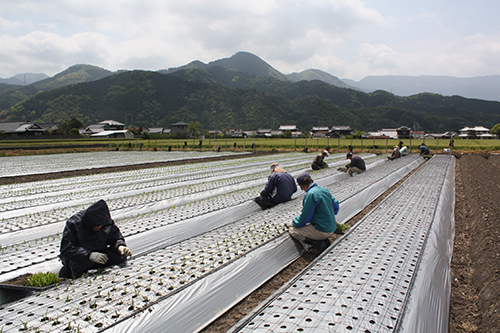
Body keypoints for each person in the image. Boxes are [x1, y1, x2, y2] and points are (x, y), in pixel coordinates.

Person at [58, 199, 132, 278]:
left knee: (120, 256)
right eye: (97, 225)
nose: (99, 227)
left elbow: (116, 237)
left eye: (101, 225)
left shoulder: (106, 223)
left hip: (99, 254)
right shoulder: (74, 223)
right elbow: (67, 249)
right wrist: (89, 255)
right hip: (82, 257)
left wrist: (120, 246)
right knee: (79, 264)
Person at [286, 173, 340, 255]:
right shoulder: (324, 190)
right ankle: (322, 238)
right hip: (332, 227)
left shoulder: (311, 195)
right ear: (312, 180)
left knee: (293, 231)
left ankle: (319, 243)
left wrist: (293, 223)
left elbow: (306, 217)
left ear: (302, 186)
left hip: (322, 230)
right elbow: (336, 205)